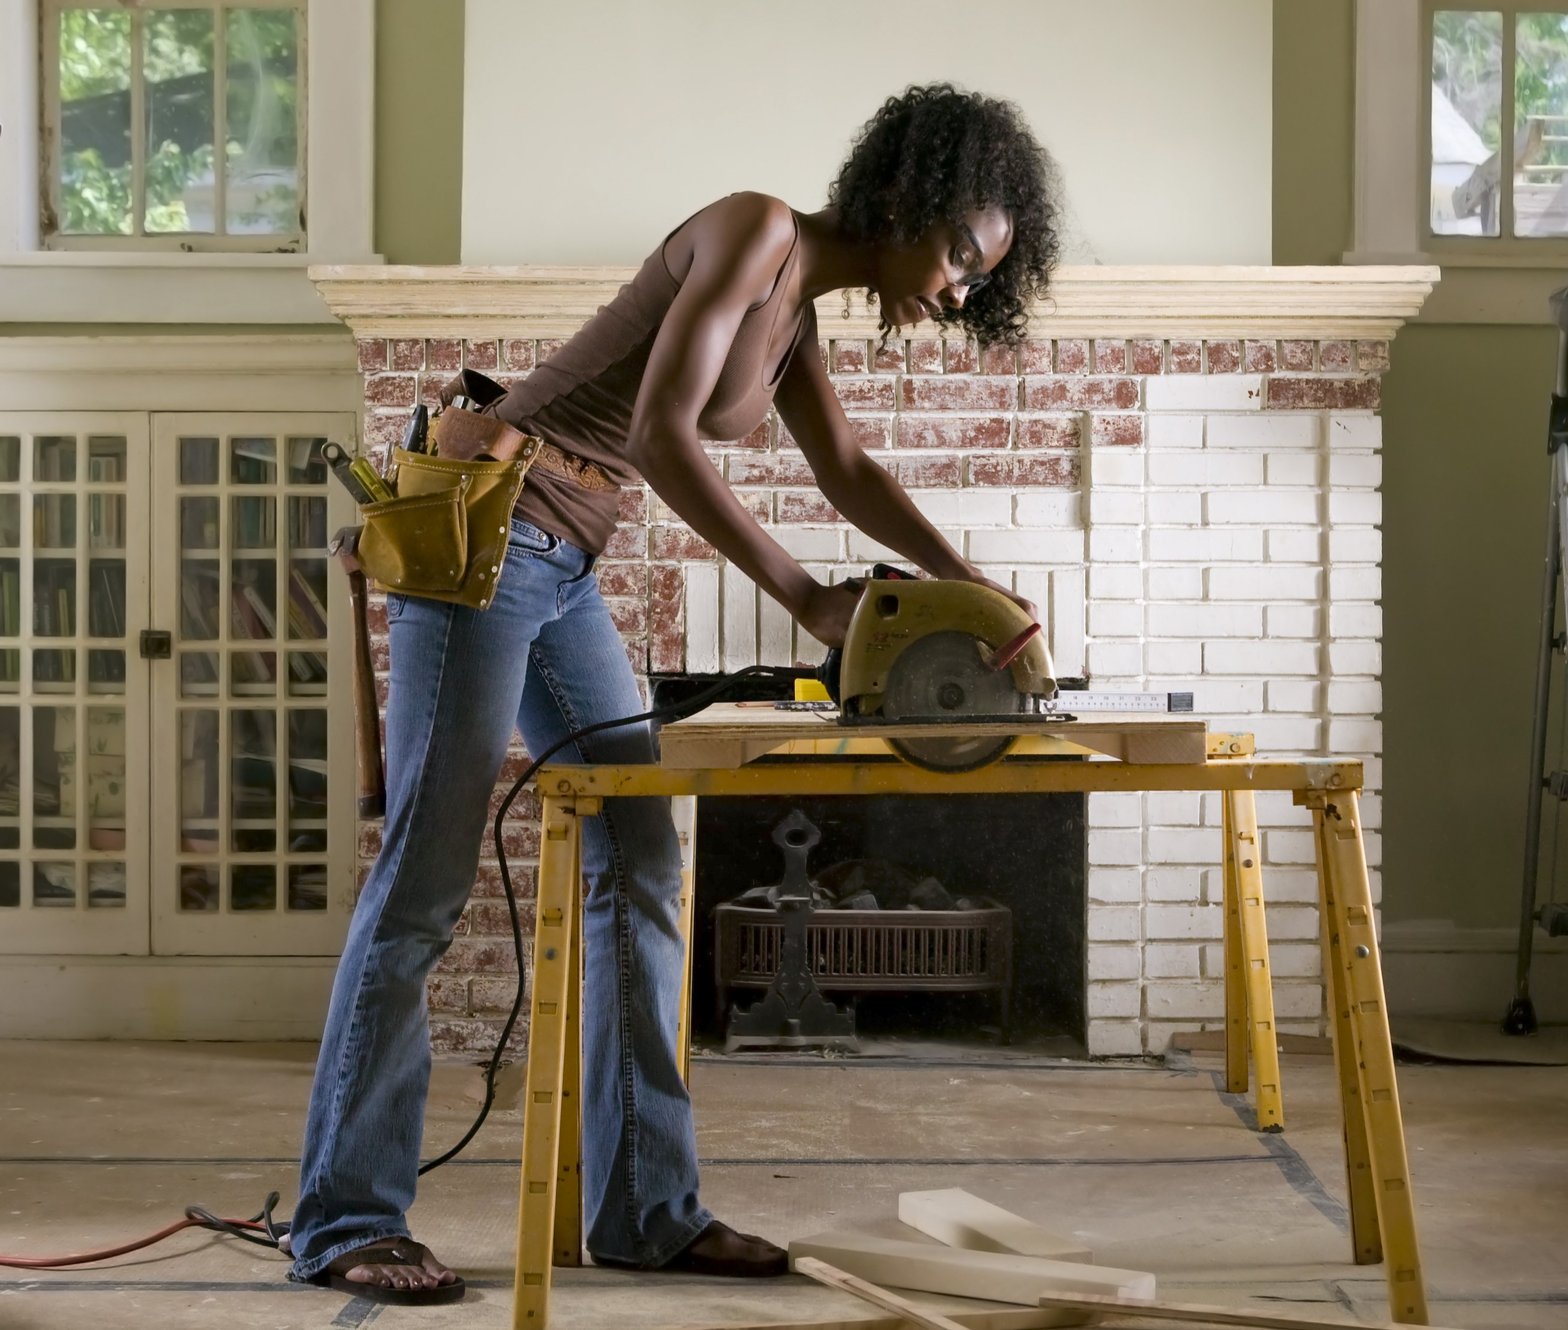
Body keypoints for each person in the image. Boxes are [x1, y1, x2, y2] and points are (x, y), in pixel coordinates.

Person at [290, 82, 1062, 1305]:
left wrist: (980, 597)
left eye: (979, 278)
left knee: (644, 859)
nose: (961, 288)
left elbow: (847, 466)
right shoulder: (754, 229)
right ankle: (342, 1219)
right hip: (483, 542)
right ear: (910, 203)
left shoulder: (795, 311)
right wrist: (808, 597)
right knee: (423, 886)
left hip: (560, 560)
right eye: (962, 256)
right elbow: (657, 432)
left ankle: (647, 1210)